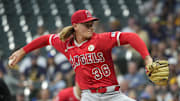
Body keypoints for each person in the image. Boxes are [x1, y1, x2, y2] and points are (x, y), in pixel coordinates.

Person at [9, 9, 153, 101]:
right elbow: (46, 39)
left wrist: (147, 58)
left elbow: (131, 37)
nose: (91, 27)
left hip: (113, 95)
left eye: (92, 24)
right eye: (87, 24)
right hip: (89, 96)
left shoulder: (102, 39)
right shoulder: (66, 43)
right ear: (76, 26)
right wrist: (23, 51)